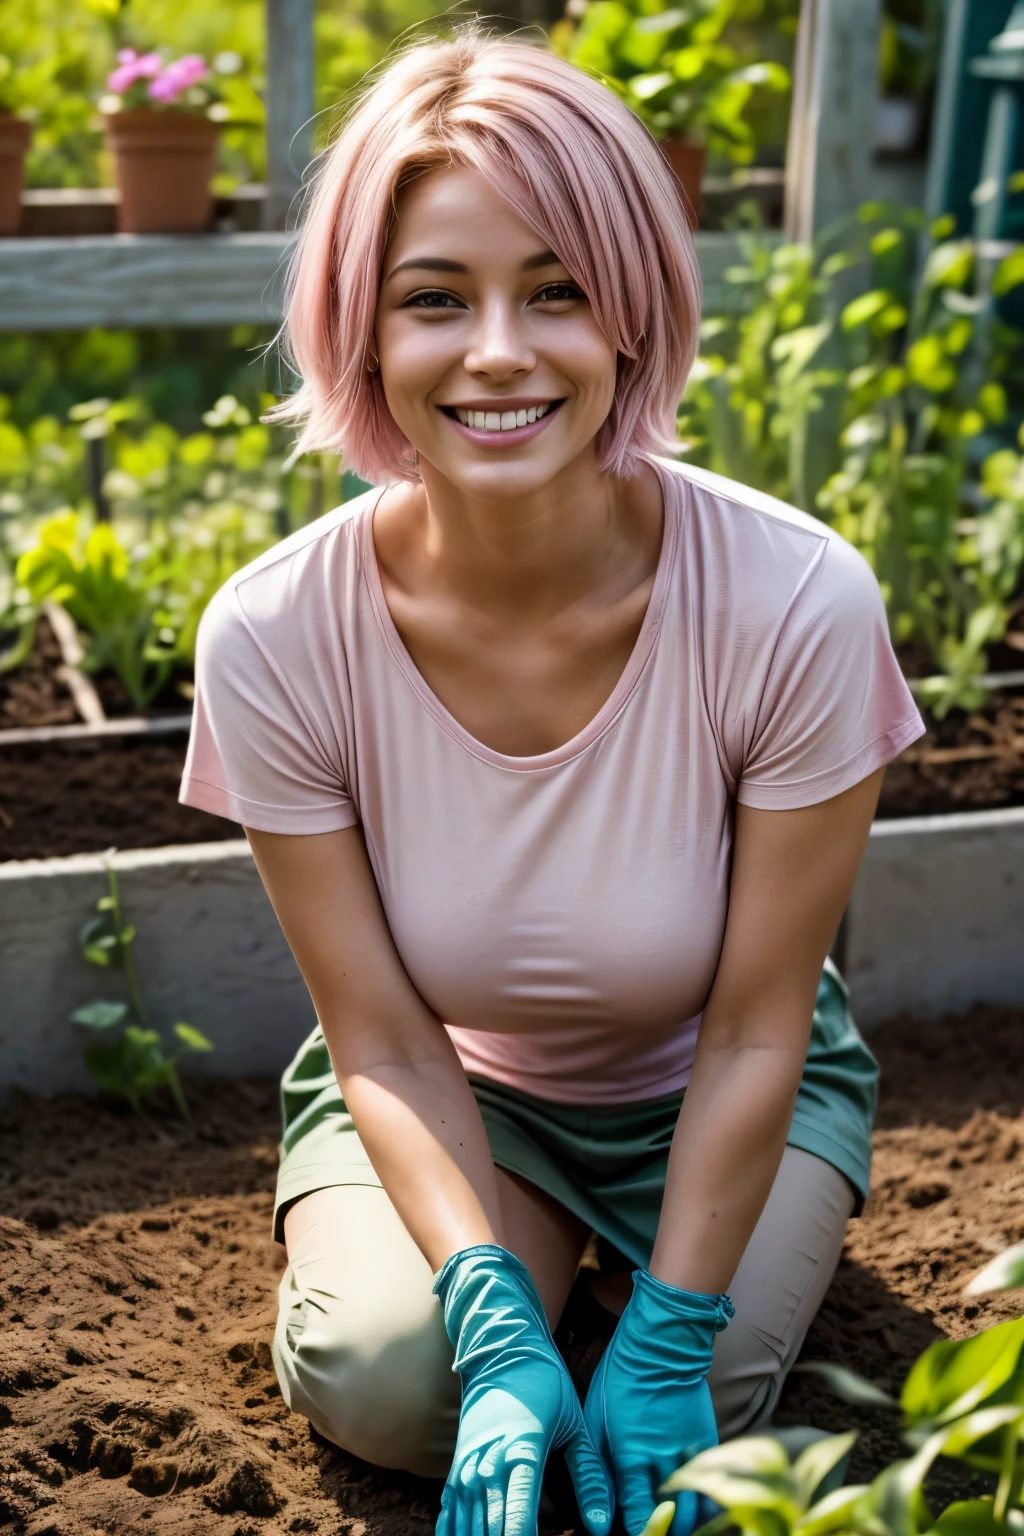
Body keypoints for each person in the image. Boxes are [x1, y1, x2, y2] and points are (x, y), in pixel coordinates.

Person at [179, 25, 926, 1536]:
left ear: (634, 318)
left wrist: (664, 1329)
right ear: (363, 333)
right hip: (458, 1087)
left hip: (718, 1079)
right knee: (396, 1387)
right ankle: (523, 1286)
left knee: (693, 1415)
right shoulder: (275, 632)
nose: (500, 350)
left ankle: (670, 1278)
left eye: (560, 291)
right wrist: (493, 1320)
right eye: (436, 299)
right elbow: (381, 1034)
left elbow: (762, 1019)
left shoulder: (793, 600)